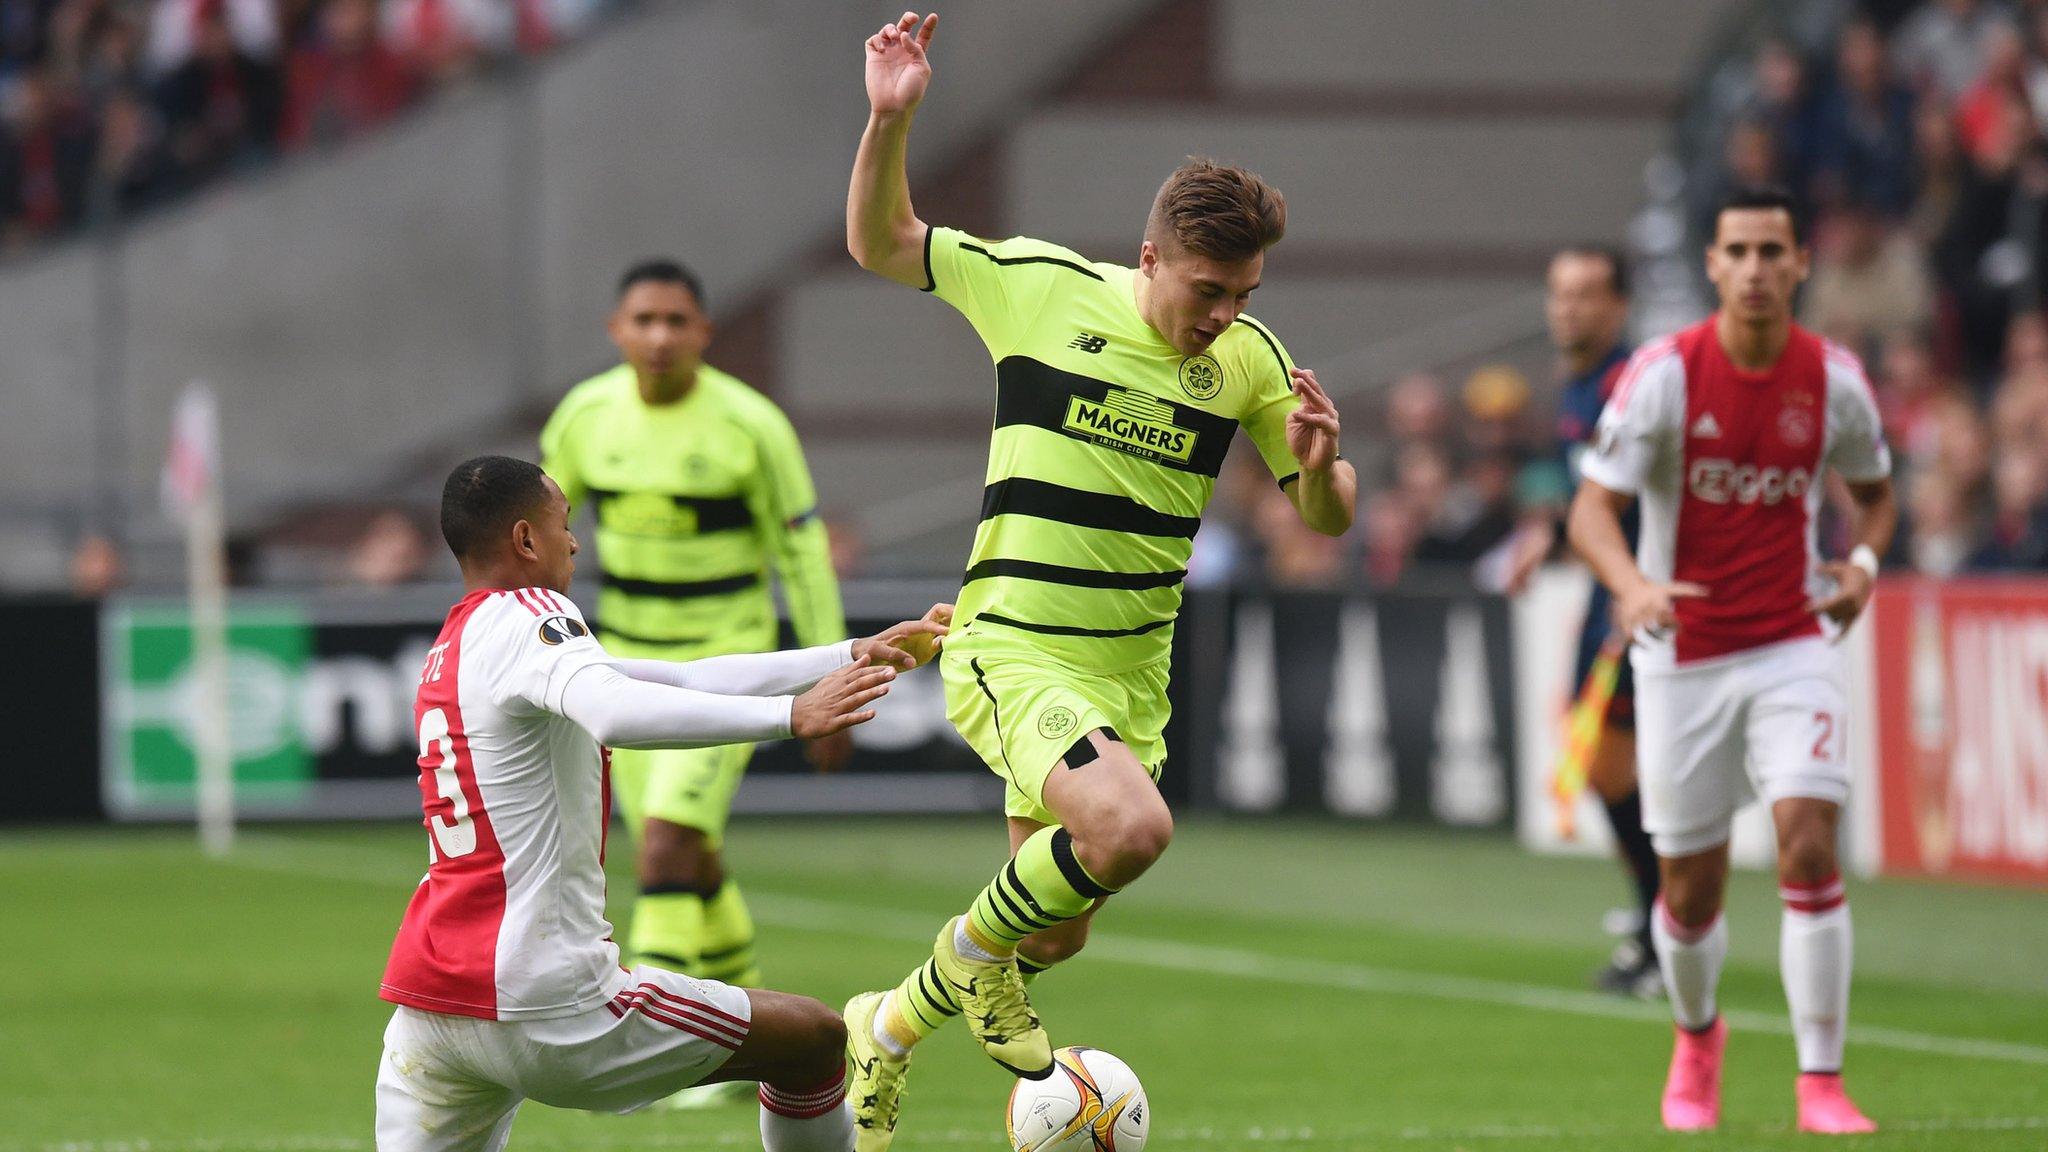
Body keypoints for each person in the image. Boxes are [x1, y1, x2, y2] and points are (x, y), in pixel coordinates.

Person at [839, 13, 1355, 1149]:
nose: (1223, 314)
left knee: (1057, 927)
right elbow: (881, 244)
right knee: (1129, 830)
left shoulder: (1248, 364)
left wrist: (1319, 472)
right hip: (1014, 642)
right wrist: (892, 119)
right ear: (1150, 256)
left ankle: (879, 1028)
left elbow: (1323, 514)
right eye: (1208, 289)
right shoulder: (1035, 288)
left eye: (1245, 293)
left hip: (1129, 677)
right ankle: (971, 969)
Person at [375, 454, 947, 1151]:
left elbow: (680, 675)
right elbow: (614, 712)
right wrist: (789, 717)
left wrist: (847, 655)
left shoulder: (456, 643)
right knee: (817, 1041)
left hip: (430, 1008)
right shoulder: (533, 615)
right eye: (564, 525)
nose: (576, 542)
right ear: (526, 540)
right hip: (547, 1002)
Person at [1567, 187, 1896, 1135]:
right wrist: (1631, 587)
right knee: (1690, 889)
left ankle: (1821, 1082)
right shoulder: (1665, 374)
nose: (1755, 269)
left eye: (1772, 251)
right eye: (1738, 251)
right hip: (1684, 657)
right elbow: (1591, 509)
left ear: (1799, 266)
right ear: (1713, 266)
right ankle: (1698, 1038)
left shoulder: (1833, 379)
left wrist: (1865, 566)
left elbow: (1876, 497)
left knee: (1807, 842)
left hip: (1794, 643)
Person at [541, 260, 847, 1106]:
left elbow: (801, 550)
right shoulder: (584, 417)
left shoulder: (752, 425)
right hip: (623, 665)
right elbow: (537, 533)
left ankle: (663, 1053)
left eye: (678, 320)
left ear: (705, 333)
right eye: (645, 319)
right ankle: (761, 1020)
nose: (661, 336)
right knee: (688, 855)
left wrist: (836, 665)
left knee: (669, 840)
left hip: (725, 661)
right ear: (617, 331)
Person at [1504, 244, 1662, 999]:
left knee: (1619, 764)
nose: (1568, 308)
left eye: (1586, 295)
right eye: (1559, 293)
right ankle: (1659, 922)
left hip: (1640, 593)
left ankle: (1665, 928)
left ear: (1619, 305)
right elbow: (1594, 494)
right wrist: (1548, 537)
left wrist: (1640, 585)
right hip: (1609, 592)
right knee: (1605, 764)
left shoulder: (1637, 385)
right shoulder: (1578, 387)